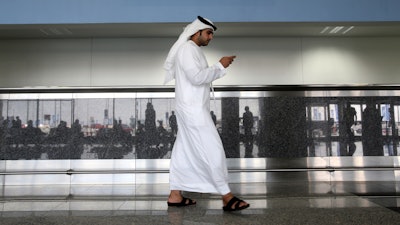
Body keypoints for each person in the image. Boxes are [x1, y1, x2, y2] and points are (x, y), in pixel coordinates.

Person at [163, 16, 249, 211]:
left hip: (191, 109)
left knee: (183, 152)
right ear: (197, 32)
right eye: (208, 33)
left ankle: (175, 194)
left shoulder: (192, 51)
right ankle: (226, 196)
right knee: (212, 147)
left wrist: (218, 67)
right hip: (192, 110)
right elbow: (197, 77)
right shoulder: (187, 50)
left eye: (212, 34)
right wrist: (220, 65)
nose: (211, 37)